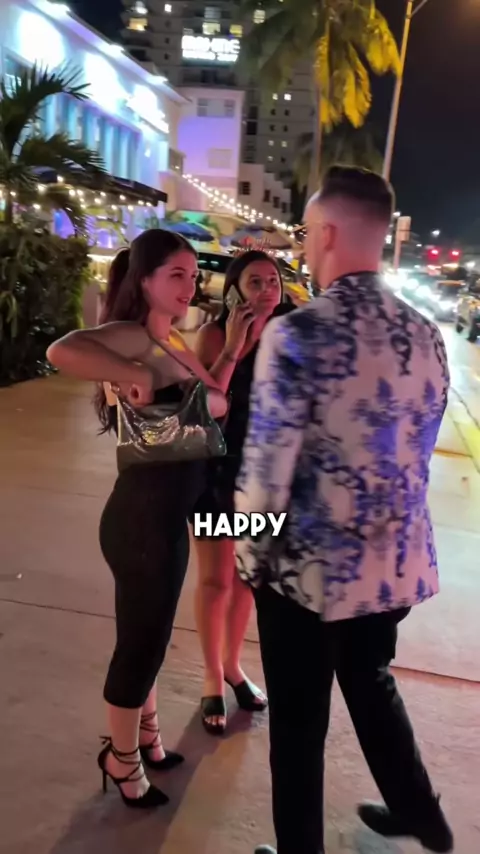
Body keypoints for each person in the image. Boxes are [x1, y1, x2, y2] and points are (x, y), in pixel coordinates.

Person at [235, 167, 454, 854]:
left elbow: (265, 475)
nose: (304, 244)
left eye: (306, 231)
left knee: (299, 725)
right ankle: (422, 814)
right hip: (394, 568)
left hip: (308, 575)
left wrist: (244, 554)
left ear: (327, 231)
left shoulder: (299, 334)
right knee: (369, 678)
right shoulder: (426, 333)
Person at [47, 230, 227, 809]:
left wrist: (232, 347)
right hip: (144, 520)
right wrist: (140, 375)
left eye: (193, 275)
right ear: (144, 280)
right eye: (176, 274)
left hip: (163, 517)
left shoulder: (171, 338)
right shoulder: (134, 336)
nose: (189, 285)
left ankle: (147, 738)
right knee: (140, 647)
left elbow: (214, 403)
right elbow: (62, 351)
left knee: (148, 638)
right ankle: (121, 761)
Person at [193, 250, 293, 734]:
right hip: (217, 473)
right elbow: (204, 406)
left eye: (273, 281)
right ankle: (212, 677)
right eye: (255, 281)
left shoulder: (289, 334)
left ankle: (233, 666)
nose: (267, 290)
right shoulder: (214, 334)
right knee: (215, 580)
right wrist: (236, 345)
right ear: (234, 290)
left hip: (265, 478)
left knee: (246, 581)